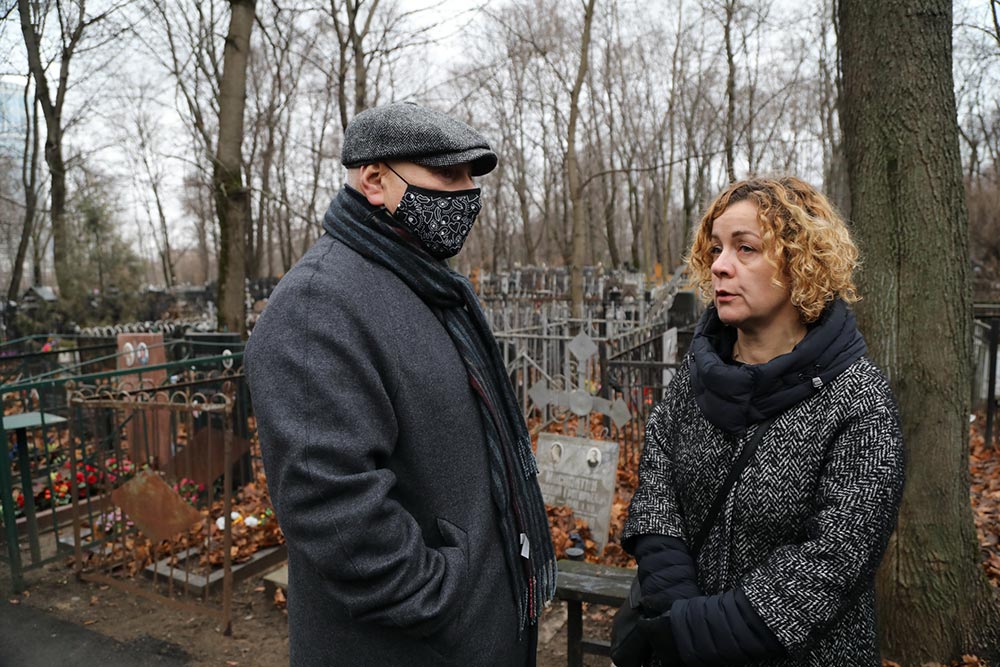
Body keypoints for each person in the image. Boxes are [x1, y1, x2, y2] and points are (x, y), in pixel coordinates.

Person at [245, 102, 556, 667]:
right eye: (448, 175)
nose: (468, 193)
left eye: (471, 176)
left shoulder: (428, 285)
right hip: (413, 647)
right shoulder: (316, 308)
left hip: (485, 628)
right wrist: (449, 598)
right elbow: (333, 510)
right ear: (373, 180)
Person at [621, 176, 905, 666]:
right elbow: (657, 493)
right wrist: (672, 606)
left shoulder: (860, 401)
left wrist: (694, 629)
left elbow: (833, 560)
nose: (719, 265)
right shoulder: (696, 374)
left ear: (801, 262)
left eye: (745, 248)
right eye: (715, 249)